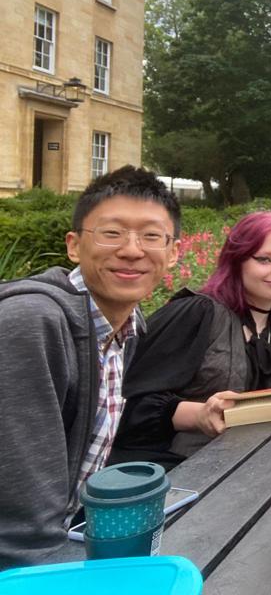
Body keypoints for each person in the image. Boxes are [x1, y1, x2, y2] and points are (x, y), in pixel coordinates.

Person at [0, 166, 181, 569]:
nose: (132, 250)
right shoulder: (32, 322)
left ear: (173, 252)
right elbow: (20, 527)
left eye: (151, 236)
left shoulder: (125, 330)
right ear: (74, 245)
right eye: (111, 232)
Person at [113, 212, 271, 468]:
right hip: (168, 475)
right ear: (236, 261)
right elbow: (120, 405)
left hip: (238, 475)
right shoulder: (197, 313)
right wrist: (198, 415)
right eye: (264, 259)